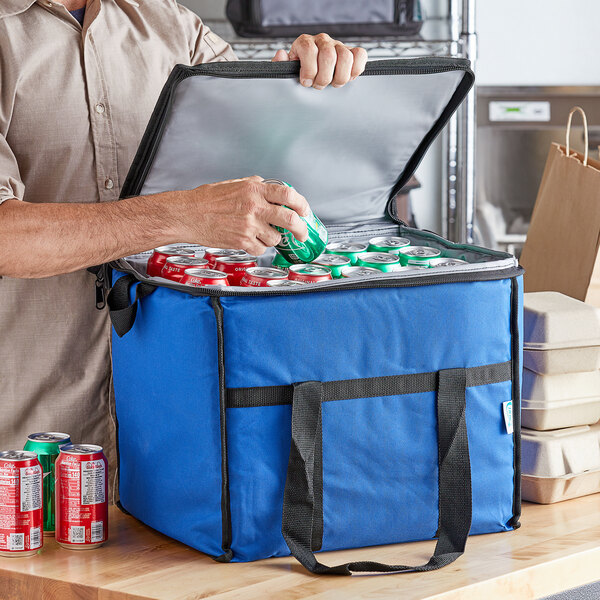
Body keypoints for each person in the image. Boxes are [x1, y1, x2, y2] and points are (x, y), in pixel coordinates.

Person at [0, 0, 368, 485]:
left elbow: (259, 157)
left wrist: (304, 85)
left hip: (176, 449)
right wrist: (180, 216)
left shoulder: (172, 24)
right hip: (24, 455)